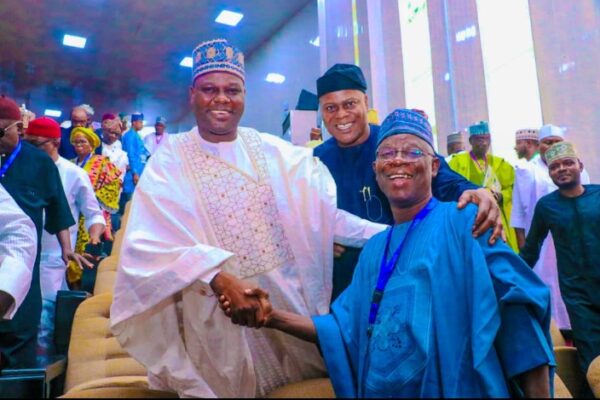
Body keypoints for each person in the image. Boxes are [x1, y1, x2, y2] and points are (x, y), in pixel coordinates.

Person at [109, 38, 387, 397]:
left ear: (244, 95)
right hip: (215, 314)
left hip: (286, 307)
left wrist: (402, 232)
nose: (221, 98)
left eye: (232, 90)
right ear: (193, 94)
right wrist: (220, 279)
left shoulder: (272, 150)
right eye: (210, 89)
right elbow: (151, 243)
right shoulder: (170, 159)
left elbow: (324, 216)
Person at [220, 109, 554, 398]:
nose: (398, 160)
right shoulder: (373, 251)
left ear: (435, 166)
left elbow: (519, 318)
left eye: (412, 152)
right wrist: (271, 316)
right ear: (376, 167)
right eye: (388, 153)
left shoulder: (466, 221)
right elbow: (341, 329)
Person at [313, 64, 503, 300]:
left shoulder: (394, 141)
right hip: (347, 285)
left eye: (349, 104)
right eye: (331, 108)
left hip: (407, 272)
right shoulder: (316, 160)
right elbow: (304, 217)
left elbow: (443, 178)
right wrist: (317, 242)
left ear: (365, 101)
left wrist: (476, 191)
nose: (341, 115)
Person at [0, 95, 77, 368]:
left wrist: (68, 250)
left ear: (18, 129)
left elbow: (58, 211)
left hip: (22, 265)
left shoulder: (40, 163)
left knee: (18, 345)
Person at [22, 117, 105, 356]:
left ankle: (41, 378)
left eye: (37, 145)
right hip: (18, 255)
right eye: (27, 144)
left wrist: (94, 238)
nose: (31, 150)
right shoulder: (20, 169)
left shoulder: (73, 174)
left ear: (55, 142)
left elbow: (93, 215)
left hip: (53, 258)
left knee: (43, 324)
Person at [520, 141, 600, 385]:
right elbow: (531, 248)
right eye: (554, 166)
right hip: (577, 294)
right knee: (590, 352)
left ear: (580, 165)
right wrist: (508, 276)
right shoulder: (547, 206)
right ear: (549, 172)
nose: (562, 169)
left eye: (568, 163)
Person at [511, 124, 591, 329]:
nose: (561, 169)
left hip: (581, 246)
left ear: (579, 166)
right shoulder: (526, 170)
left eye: (557, 142)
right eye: (548, 142)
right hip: (545, 244)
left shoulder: (588, 185)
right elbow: (519, 215)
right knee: (550, 285)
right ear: (539, 145)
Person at [448, 120, 518, 252]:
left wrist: (501, 196)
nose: (484, 143)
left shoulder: (500, 164)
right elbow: (451, 186)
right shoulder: (457, 162)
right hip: (469, 216)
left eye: (486, 139)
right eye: (479, 139)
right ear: (470, 141)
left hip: (496, 215)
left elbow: (511, 188)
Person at [68, 126, 121, 286]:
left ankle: (84, 286)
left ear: (91, 145)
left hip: (91, 213)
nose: (78, 145)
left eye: (82, 142)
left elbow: (114, 184)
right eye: (75, 142)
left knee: (87, 251)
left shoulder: (101, 162)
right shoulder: (70, 164)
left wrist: (94, 196)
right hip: (72, 212)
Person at [119, 111, 148, 214]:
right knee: (129, 205)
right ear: (134, 122)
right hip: (131, 176)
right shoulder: (130, 136)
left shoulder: (136, 135)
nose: (141, 124)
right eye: (140, 122)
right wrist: (135, 173)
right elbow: (130, 155)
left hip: (137, 173)